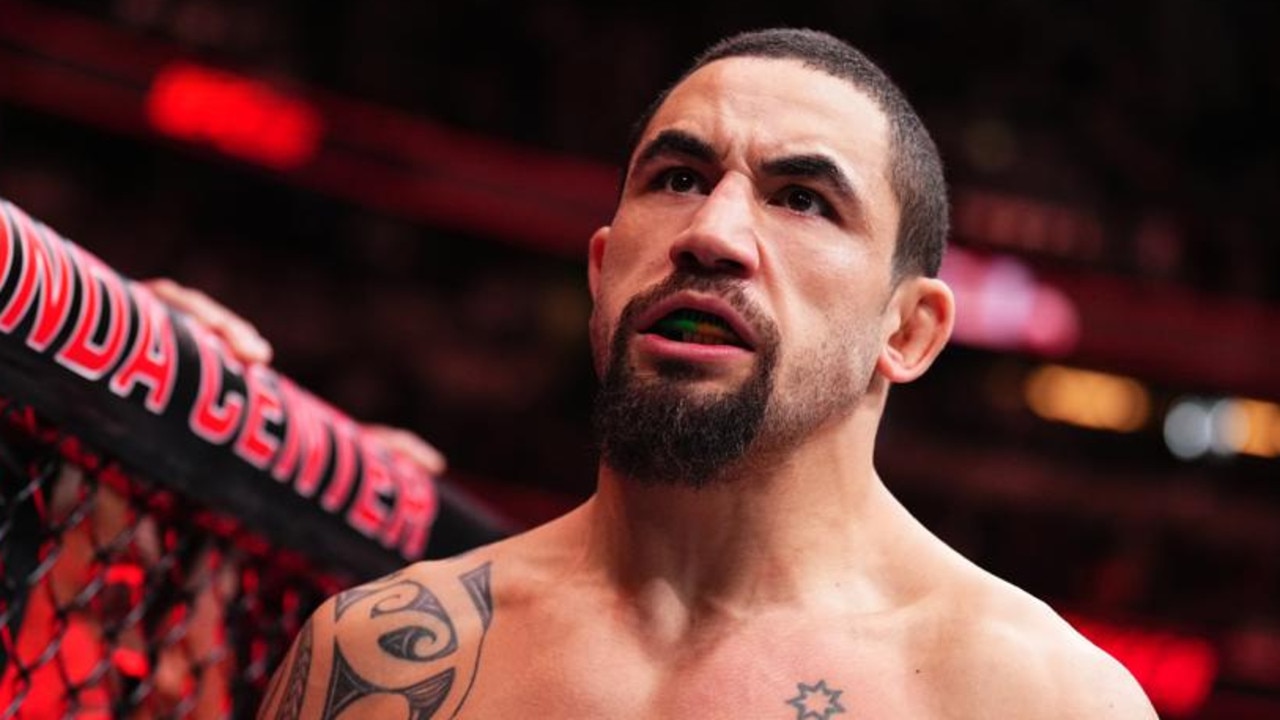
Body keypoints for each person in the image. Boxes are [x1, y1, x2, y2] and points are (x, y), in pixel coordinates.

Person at [196, 27, 1156, 719]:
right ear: (602, 273)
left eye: (803, 199)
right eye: (679, 179)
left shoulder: (1038, 699)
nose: (712, 233)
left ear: (907, 332)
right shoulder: (382, 652)